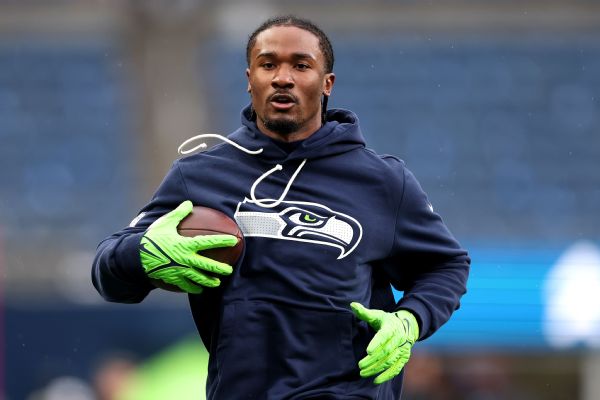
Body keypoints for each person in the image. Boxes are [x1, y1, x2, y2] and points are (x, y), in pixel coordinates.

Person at [92, 15, 470, 399]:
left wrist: (410, 319)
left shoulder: (383, 181)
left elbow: (446, 266)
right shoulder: (199, 176)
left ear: (327, 83)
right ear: (250, 79)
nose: (282, 78)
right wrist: (141, 253)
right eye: (268, 64)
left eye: (301, 65)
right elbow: (107, 274)